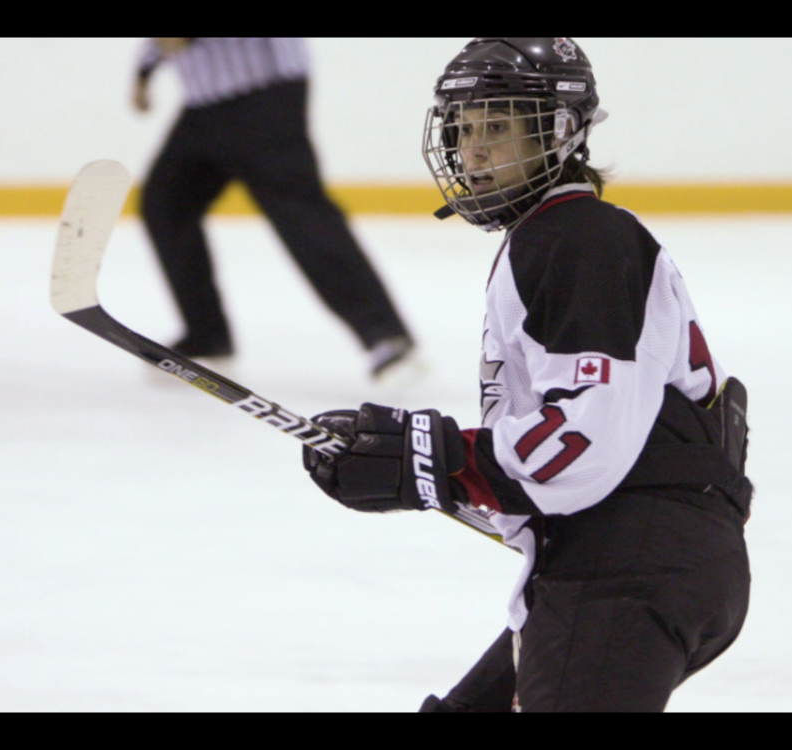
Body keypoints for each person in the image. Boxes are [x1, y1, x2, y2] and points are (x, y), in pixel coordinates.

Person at [300, 37, 754, 712]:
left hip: (627, 570)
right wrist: (420, 473)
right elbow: (580, 468)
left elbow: (586, 444)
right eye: (463, 130)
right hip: (626, 561)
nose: (473, 151)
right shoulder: (556, 238)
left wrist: (437, 458)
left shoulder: (576, 239)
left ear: (562, 131)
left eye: (498, 127)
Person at [131, 38, 418, 379]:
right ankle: (206, 337)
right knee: (165, 204)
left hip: (265, 96)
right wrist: (143, 73)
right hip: (203, 104)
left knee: (301, 212)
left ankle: (385, 335)